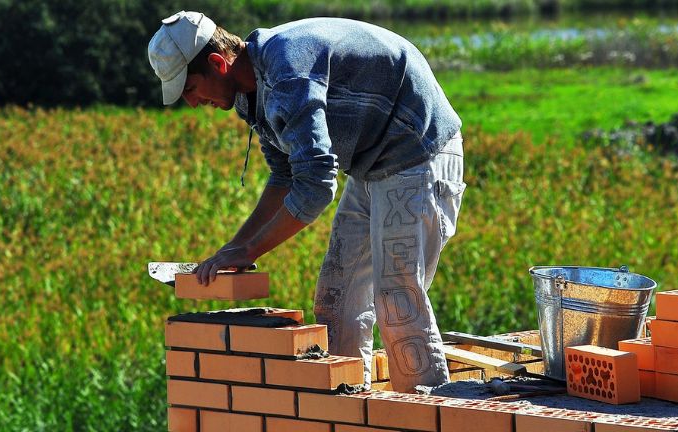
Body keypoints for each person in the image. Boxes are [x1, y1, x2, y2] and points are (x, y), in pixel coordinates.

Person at [148, 11, 466, 392]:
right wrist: (233, 248)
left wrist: (248, 249)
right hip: (372, 162)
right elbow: (286, 177)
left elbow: (316, 186)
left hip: (416, 149)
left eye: (190, 89)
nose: (193, 103)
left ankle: (427, 415)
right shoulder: (253, 95)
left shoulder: (287, 71)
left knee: (398, 301)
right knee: (336, 300)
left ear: (218, 63)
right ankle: (348, 411)